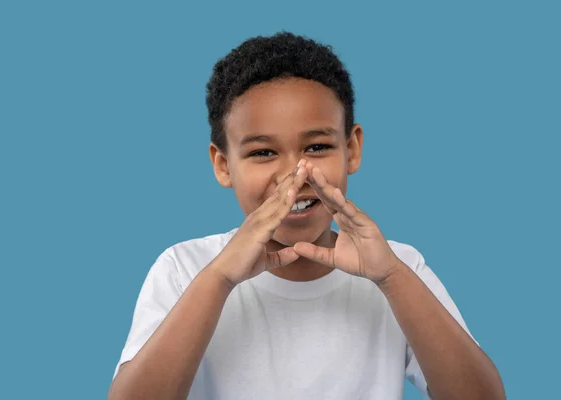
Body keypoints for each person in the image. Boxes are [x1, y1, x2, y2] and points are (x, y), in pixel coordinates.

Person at [107, 31, 505, 400]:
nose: (295, 176)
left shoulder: (400, 268)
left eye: (316, 147)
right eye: (263, 152)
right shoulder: (184, 268)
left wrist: (393, 277)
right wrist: (219, 278)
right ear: (223, 164)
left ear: (352, 149)